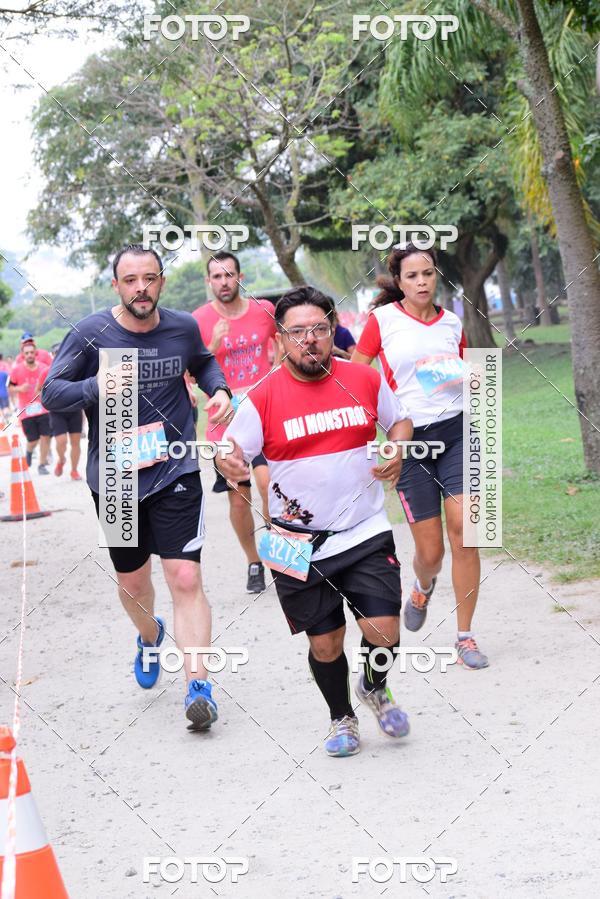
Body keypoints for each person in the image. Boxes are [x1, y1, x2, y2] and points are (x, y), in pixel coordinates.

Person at [42, 244, 233, 730]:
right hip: (115, 479)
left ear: (162, 283)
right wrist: (98, 387)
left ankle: (199, 688)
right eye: (131, 280)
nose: (141, 288)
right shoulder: (90, 334)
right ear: (116, 286)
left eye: (150, 278)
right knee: (133, 583)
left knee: (185, 578)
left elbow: (204, 362)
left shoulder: (182, 327)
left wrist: (220, 390)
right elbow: (52, 392)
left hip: (175, 470)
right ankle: (150, 636)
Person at [218, 286, 414, 757]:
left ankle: (373, 685)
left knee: (384, 628)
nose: (311, 339)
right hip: (295, 542)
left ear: (332, 330)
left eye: (320, 329)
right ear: (281, 338)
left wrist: (397, 446)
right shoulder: (262, 396)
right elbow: (230, 446)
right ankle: (341, 717)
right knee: (325, 644)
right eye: (298, 331)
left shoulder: (362, 380)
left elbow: (401, 420)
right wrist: (228, 461)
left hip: (364, 528)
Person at [352, 242, 488, 669]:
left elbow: (470, 373)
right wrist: (380, 436)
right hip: (411, 442)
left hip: (458, 432)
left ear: (436, 276)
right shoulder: (382, 321)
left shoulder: (451, 322)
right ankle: (421, 586)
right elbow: (356, 377)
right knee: (430, 552)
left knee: (465, 531)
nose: (421, 281)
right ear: (399, 282)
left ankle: (465, 636)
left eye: (427, 273)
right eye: (411, 276)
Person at [193, 250, 277, 594]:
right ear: (208, 281)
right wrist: (212, 344)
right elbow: (189, 372)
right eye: (217, 276)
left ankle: (283, 553)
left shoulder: (265, 311)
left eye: (229, 275)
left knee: (271, 486)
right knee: (239, 496)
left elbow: (286, 344)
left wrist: (277, 370)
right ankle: (253, 561)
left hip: (265, 412)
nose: (224, 282)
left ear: (239, 277)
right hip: (224, 422)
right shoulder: (197, 320)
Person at [8, 342, 51, 473]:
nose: (30, 355)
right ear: (23, 355)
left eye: (32, 352)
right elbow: (10, 387)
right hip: (26, 411)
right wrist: (20, 388)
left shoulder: (44, 368)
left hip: (43, 408)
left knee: (46, 436)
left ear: (35, 353)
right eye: (27, 353)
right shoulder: (16, 370)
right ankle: (29, 450)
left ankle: (42, 465)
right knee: (33, 440)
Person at [49, 408, 83, 480]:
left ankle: (74, 470)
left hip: (75, 410)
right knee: (61, 441)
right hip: (57, 411)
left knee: (75, 443)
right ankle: (62, 459)